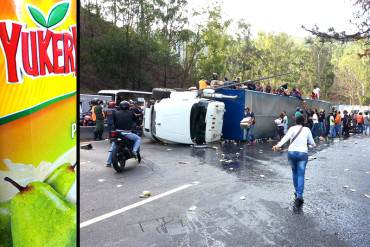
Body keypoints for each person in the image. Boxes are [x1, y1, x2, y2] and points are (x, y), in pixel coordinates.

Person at [272, 115, 316, 207]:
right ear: (303, 121)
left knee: (294, 173)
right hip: (302, 154)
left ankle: (296, 191)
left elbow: (285, 138)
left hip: (291, 153)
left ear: (295, 121)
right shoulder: (307, 129)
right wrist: (312, 144)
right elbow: (312, 143)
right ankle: (299, 196)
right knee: (301, 174)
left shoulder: (292, 128)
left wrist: (278, 145)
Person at [106, 101, 141, 167]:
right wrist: (138, 124)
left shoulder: (115, 113)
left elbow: (113, 122)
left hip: (117, 132)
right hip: (127, 132)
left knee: (113, 146)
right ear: (128, 106)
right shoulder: (131, 113)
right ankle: (134, 151)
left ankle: (108, 162)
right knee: (138, 138)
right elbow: (136, 121)